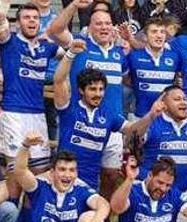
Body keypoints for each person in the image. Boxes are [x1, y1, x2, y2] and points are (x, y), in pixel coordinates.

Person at [48, 0, 129, 193]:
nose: (104, 27)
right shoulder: (80, 45)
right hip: (81, 123)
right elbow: (55, 30)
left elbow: (127, 81)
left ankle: (104, 217)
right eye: (98, 23)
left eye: (108, 23)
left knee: (111, 174)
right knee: (75, 173)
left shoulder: (119, 53)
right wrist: (74, 5)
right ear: (89, 27)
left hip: (113, 122)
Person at [0, 0, 62, 173]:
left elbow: (72, 52)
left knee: (39, 176)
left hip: (38, 115)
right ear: (17, 23)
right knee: (16, 175)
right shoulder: (9, 41)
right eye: (26, 18)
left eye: (35, 18)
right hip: (13, 113)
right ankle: (10, 205)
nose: (31, 21)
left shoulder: (47, 46)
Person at [53, 58, 154, 192]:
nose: (98, 94)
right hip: (63, 177)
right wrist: (70, 54)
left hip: (90, 183)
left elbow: (132, 131)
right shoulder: (69, 107)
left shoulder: (109, 114)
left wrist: (151, 115)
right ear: (81, 90)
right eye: (92, 89)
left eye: (101, 89)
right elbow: (59, 80)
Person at [139, 85, 187, 194]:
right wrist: (150, 115)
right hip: (152, 192)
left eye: (185, 99)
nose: (183, 102)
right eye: (177, 99)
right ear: (164, 104)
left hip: (183, 194)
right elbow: (131, 142)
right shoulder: (152, 124)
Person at [126, 18, 182, 118]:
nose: (159, 35)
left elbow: (179, 80)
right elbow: (124, 79)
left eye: (162, 32)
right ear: (145, 37)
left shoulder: (175, 57)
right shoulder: (133, 56)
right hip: (140, 116)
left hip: (167, 118)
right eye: (154, 32)